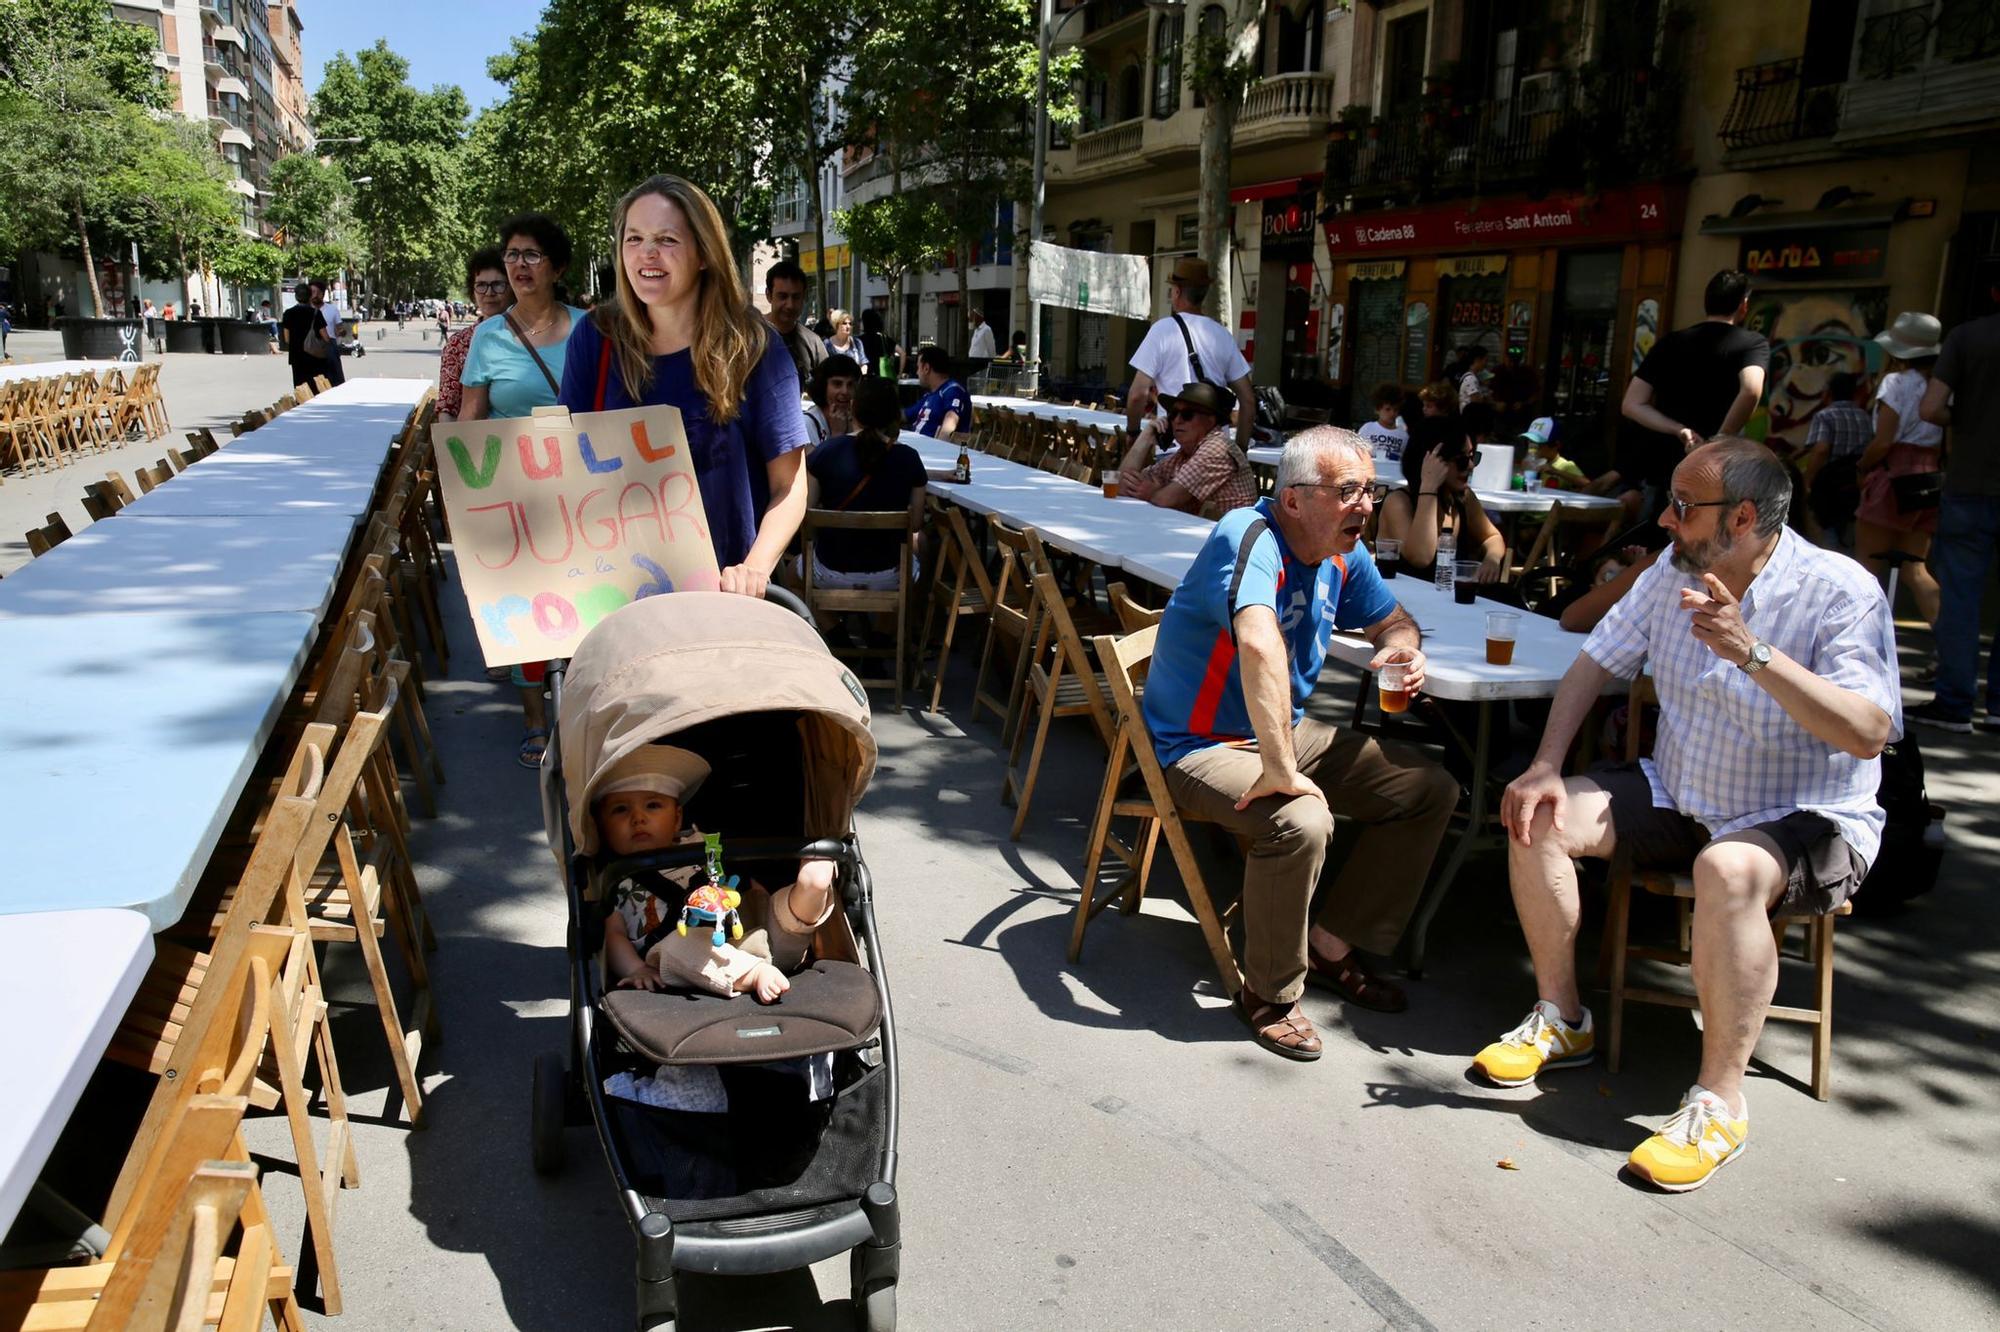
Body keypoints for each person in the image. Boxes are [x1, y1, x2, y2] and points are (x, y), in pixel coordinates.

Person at [1484, 438, 1897, 1192]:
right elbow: (1593, 663)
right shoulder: (1667, 574)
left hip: (1807, 812)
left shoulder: (1840, 589)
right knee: (1535, 812)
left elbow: (1868, 730)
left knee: (1728, 867)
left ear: (1741, 517)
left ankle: (1719, 1104)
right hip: (1682, 790)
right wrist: (1545, 763)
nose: (1667, 521)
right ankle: (1562, 1017)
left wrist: (1754, 653)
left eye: (1684, 506)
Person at [1144, 428, 1459, 1058]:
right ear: (1293, 499)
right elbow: (1259, 642)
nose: (1365, 505)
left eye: (1370, 490)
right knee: (1300, 818)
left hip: (1280, 730)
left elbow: (1393, 619)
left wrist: (1402, 647)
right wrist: (1281, 769)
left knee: (1429, 788)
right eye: (1348, 492)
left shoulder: (1342, 548)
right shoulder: (1248, 534)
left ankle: (1333, 941)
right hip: (1200, 746)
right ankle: (1269, 993)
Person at [557, 173, 809, 600]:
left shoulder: (755, 349)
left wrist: (754, 569)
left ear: (705, 254)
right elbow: (562, 464)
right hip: (613, 599)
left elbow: (791, 486)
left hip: (721, 604)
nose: (647, 253)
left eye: (667, 239)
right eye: (633, 238)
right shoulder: (595, 337)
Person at [461, 213, 586, 769]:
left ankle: (585, 715)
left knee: (587, 605)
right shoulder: (486, 338)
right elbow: (471, 420)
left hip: (585, 494)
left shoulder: (592, 328)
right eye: (512, 254)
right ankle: (536, 720)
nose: (519, 265)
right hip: (518, 500)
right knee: (531, 610)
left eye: (532, 254)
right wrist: (470, 497)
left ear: (557, 266)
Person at [594, 745, 836, 1005]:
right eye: (620, 810)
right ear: (601, 825)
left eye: (652, 806)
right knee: (676, 946)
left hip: (754, 935)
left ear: (677, 818)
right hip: (685, 956)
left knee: (777, 909)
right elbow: (613, 936)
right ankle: (751, 973)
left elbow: (745, 884)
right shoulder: (617, 878)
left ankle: (810, 889)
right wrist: (635, 969)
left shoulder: (701, 843)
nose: (638, 818)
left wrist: (759, 901)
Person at [1613, 269, 1769, 519]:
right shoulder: (1752, 343)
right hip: (1716, 474)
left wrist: (1678, 429)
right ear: (1744, 305)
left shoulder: (1670, 342)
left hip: (1663, 466)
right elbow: (1751, 390)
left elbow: (1632, 404)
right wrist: (1718, 440)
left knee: (1656, 542)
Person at [1916, 293, 2000, 733]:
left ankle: (1955, 703)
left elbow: (1930, 408)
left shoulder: (1968, 338)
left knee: (1961, 600)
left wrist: (1967, 416)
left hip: (1971, 482)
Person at [1853, 311, 1944, 632]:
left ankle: (1859, 643)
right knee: (1915, 570)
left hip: (1892, 477)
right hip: (1929, 477)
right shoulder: (1941, 386)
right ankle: (1950, 653)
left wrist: (1861, 466)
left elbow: (1883, 441)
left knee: (1866, 568)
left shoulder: (1895, 382)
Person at [804, 378, 930, 589]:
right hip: (890, 573)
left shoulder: (825, 453)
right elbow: (916, 522)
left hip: (830, 569)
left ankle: (830, 624)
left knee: (792, 577)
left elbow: (806, 513)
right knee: (919, 562)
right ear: (893, 414)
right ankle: (894, 621)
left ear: (853, 407)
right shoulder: (909, 458)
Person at [1125, 257, 1255, 447]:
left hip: (1174, 447)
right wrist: (1240, 450)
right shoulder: (1222, 335)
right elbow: (1248, 401)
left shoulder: (1162, 330)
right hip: (1215, 452)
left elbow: (1138, 394)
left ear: (1177, 292)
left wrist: (1133, 433)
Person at [1374, 415, 1507, 582]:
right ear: (1431, 462)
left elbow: (1492, 537)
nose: (1471, 466)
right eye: (1461, 461)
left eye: (1473, 457)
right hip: (1405, 602)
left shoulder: (1462, 498)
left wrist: (1491, 559)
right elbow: (1421, 557)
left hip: (1449, 601)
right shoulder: (1399, 502)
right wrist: (1429, 489)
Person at [1114, 380, 1257, 517]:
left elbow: (1165, 499)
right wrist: (1146, 436)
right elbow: (1119, 484)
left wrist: (1152, 492)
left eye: (1187, 415)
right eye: (1173, 414)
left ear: (1211, 420)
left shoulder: (1217, 448)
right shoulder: (1183, 455)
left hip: (1229, 539)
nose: (1177, 420)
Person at [436, 246, 510, 423]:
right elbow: (448, 408)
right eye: (481, 285)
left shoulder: (532, 336)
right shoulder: (458, 344)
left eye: (498, 285)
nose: (489, 293)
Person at [1799, 371, 1872, 549]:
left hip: (1829, 485)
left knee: (1827, 529)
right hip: (1856, 482)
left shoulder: (1824, 416)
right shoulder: (1864, 417)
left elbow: (1821, 450)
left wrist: (1807, 482)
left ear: (1828, 393)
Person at [764, 259, 824, 389]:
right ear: (768, 295)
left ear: (804, 298)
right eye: (782, 296)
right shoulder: (748, 337)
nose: (790, 305)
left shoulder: (814, 343)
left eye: (796, 297)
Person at [904, 345, 967, 438]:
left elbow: (951, 421)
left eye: (918, 368)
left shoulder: (952, 390)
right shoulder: (930, 395)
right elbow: (905, 415)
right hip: (915, 445)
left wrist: (939, 447)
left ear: (926, 368)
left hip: (929, 450)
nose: (917, 372)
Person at [280, 281, 333, 390]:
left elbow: (287, 338)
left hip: (297, 357)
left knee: (300, 387)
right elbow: (326, 337)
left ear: (296, 296)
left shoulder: (288, 313)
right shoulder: (315, 313)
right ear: (310, 296)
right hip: (315, 357)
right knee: (316, 387)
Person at [804, 352, 860, 446]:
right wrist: (837, 435)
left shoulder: (856, 421)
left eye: (850, 384)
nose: (845, 391)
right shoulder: (807, 424)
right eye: (837, 384)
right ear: (823, 386)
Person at [1522, 416, 1589, 489]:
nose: (1533, 448)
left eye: (1538, 445)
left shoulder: (1565, 466)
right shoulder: (1530, 462)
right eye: (1530, 442)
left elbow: (1588, 484)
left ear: (1556, 445)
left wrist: (1555, 471)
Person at [1357, 382, 1408, 462]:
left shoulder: (1403, 435)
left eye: (1395, 410)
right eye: (1387, 409)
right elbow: (1357, 453)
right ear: (1377, 409)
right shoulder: (1367, 429)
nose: (1392, 413)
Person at [858, 307, 900, 378]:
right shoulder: (883, 338)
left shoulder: (859, 340)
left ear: (866, 322)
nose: (860, 323)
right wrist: (900, 374)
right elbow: (902, 353)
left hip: (866, 378)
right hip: (883, 378)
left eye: (861, 320)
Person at [965, 307, 996, 380]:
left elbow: (991, 347)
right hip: (973, 362)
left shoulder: (986, 329)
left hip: (981, 363)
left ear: (978, 317)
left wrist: (992, 361)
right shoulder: (976, 330)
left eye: (972, 318)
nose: (971, 320)